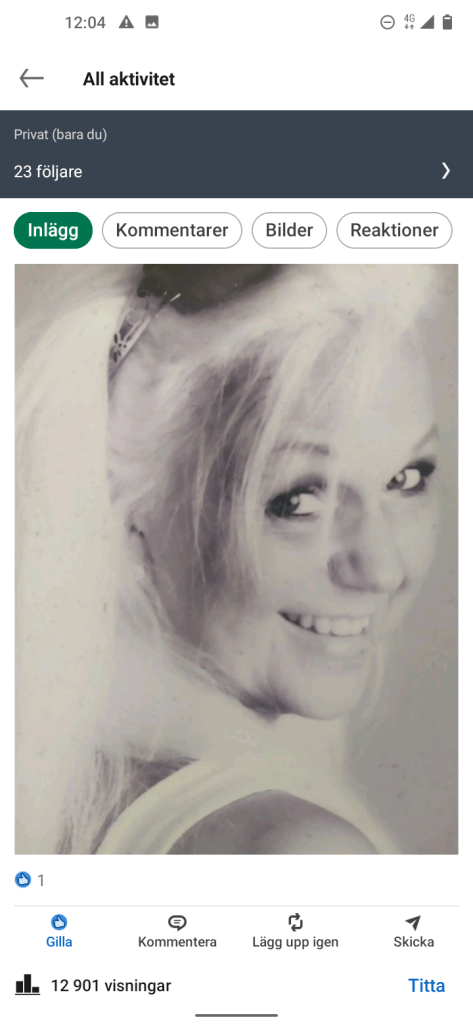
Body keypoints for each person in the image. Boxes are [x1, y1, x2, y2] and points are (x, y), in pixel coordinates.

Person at [16, 264, 441, 855]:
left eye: (407, 478)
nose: (382, 569)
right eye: (299, 500)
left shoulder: (72, 792)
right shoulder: (300, 851)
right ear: (131, 517)